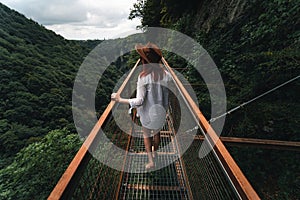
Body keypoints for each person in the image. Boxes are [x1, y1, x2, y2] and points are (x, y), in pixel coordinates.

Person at [111, 42, 171, 170]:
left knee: (146, 134)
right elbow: (166, 96)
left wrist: (120, 99)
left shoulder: (143, 77)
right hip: (160, 112)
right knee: (157, 133)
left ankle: (151, 161)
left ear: (144, 60)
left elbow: (139, 101)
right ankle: (155, 152)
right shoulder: (167, 75)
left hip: (147, 114)